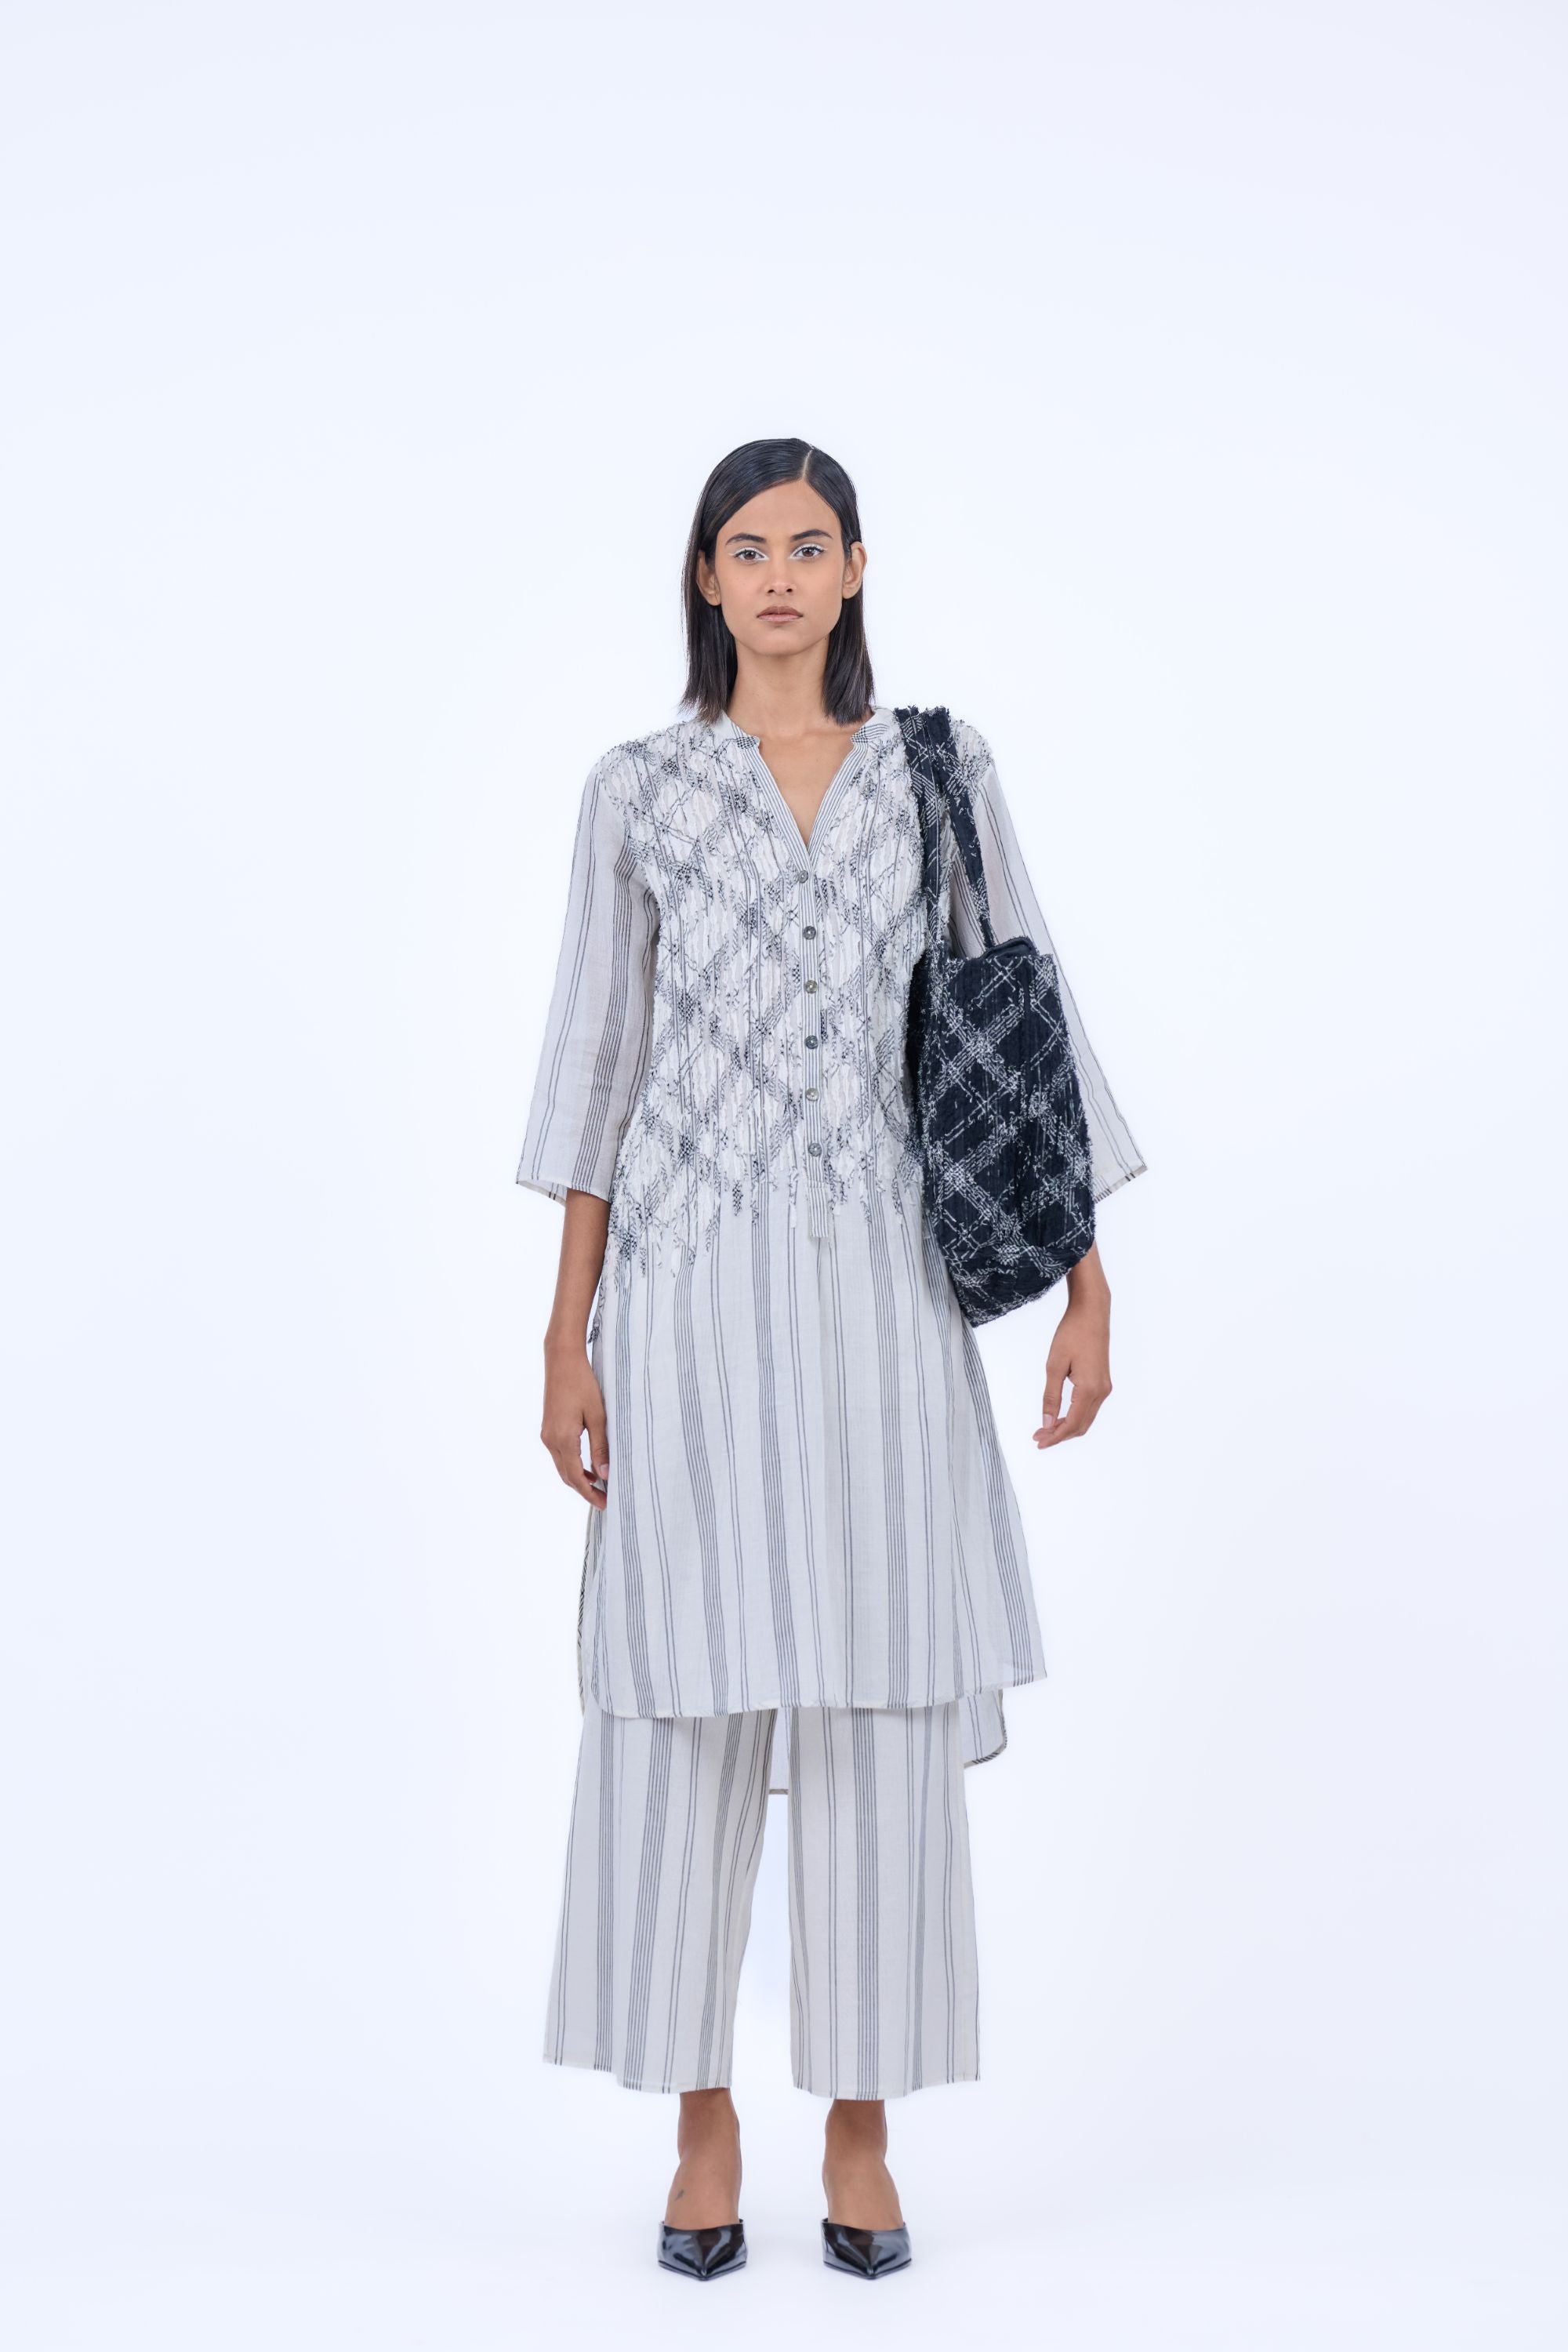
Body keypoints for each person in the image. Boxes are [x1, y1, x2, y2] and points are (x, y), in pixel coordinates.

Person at [515, 438, 1145, 2280]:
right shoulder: (637, 790)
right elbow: (593, 1061)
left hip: (881, 1294)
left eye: (809, 544)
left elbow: (1025, 1019)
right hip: (688, 1296)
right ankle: (699, 2117)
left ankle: (861, 2128)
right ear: (705, 578)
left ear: (855, 566)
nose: (778, 575)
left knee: (878, 1700)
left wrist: (1086, 1283)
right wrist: (564, 1333)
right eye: (746, 548)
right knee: (679, 1700)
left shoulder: (939, 773)